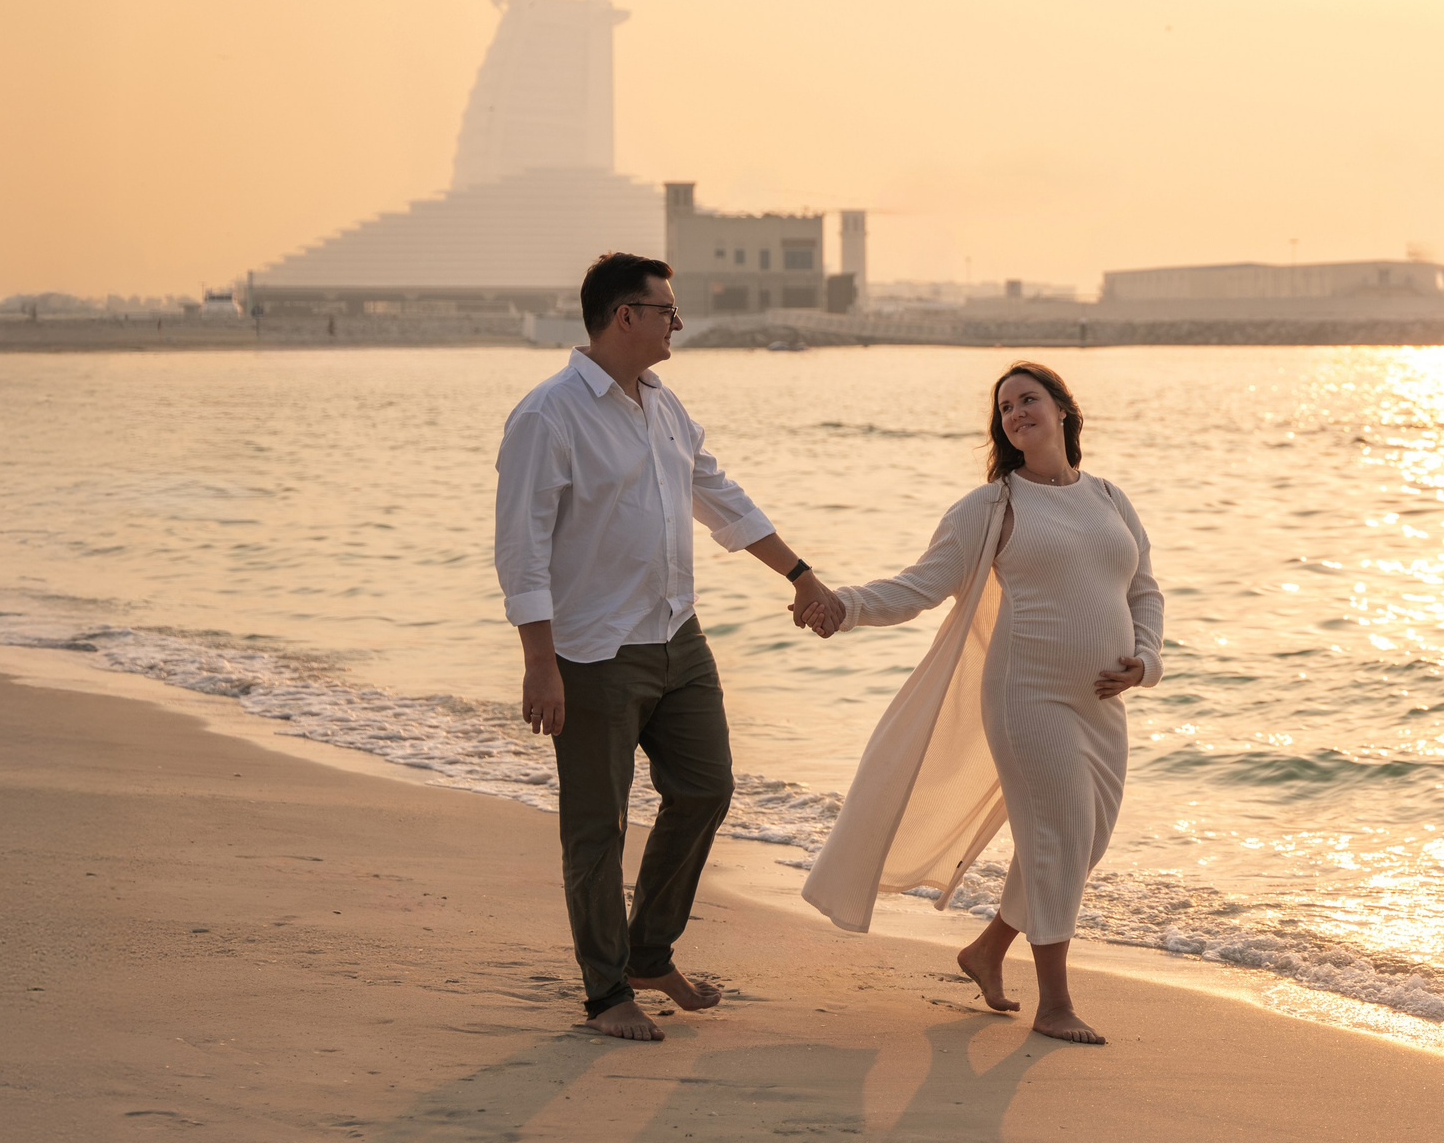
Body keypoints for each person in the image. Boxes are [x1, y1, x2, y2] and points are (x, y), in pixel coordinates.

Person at [495, 251, 839, 1042]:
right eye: (666, 311)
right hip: (591, 652)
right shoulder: (548, 416)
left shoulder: (663, 405)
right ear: (626, 316)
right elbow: (522, 548)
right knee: (597, 825)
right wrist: (539, 662)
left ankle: (650, 952)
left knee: (707, 788)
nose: (675, 324)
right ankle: (607, 991)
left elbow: (718, 496)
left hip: (678, 639)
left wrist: (800, 574)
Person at [802, 361, 1163, 1044]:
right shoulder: (994, 505)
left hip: (1102, 704)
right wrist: (843, 606)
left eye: (1029, 399)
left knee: (1083, 841)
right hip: (1027, 696)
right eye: (1004, 407)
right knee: (1056, 836)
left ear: (1063, 410)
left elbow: (1143, 589)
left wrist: (1146, 663)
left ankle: (988, 949)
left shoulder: (1110, 498)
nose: (1016, 412)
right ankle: (1054, 1002)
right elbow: (922, 585)